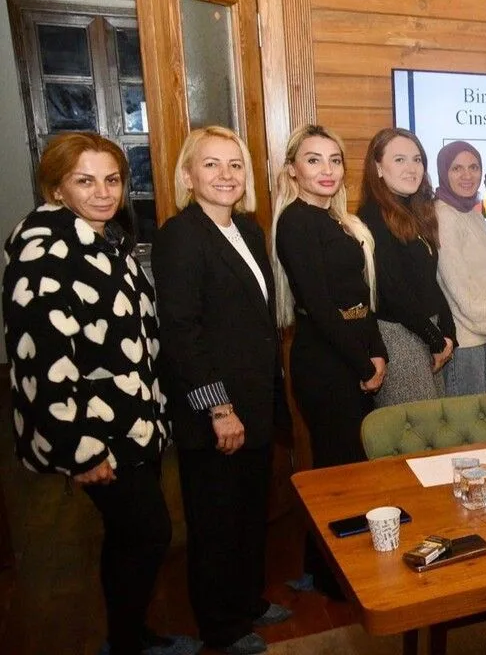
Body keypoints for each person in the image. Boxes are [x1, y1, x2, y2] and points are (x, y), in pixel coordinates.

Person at [3, 133, 192, 655]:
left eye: (112, 180)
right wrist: (80, 449)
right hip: (94, 430)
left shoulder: (107, 238)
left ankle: (130, 636)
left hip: (132, 422)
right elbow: (41, 358)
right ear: (57, 188)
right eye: (85, 181)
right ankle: (127, 643)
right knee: (148, 532)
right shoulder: (45, 248)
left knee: (132, 535)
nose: (103, 192)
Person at [153, 127, 292, 654]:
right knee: (216, 522)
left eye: (235, 165)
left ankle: (248, 601)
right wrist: (218, 408)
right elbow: (182, 333)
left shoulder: (248, 230)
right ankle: (221, 626)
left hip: (254, 403)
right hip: (217, 410)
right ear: (188, 176)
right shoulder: (180, 236)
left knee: (249, 513)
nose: (225, 175)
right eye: (211, 164)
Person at [271, 123, 386, 598]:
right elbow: (319, 307)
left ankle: (325, 567)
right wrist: (364, 365)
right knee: (339, 472)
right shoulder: (296, 221)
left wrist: (377, 351)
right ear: (292, 170)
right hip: (324, 362)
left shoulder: (338, 221)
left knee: (349, 467)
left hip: (353, 354)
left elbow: (361, 297)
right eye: (313, 159)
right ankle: (331, 577)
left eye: (335, 160)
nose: (327, 170)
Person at [358, 127, 457, 407]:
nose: (412, 168)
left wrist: (448, 333)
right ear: (378, 168)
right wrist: (436, 339)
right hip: (400, 339)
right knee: (419, 429)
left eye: (417, 159)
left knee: (436, 427)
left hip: (426, 332)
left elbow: (428, 281)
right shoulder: (371, 217)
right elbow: (393, 291)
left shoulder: (416, 213)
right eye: (399, 159)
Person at [435, 140, 486, 395]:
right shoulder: (443, 216)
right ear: (444, 172)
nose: (467, 175)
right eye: (457, 168)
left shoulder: (472, 212)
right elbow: (461, 291)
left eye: (473, 167)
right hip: (465, 344)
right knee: (469, 421)